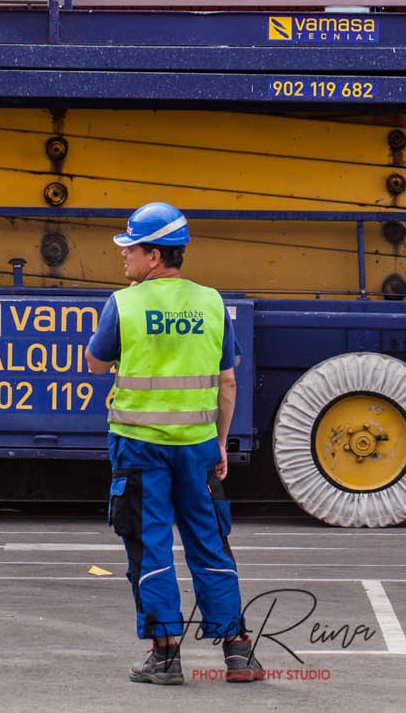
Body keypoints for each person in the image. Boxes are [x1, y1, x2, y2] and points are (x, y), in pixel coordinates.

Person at [85, 200, 263, 686]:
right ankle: (238, 652)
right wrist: (220, 443)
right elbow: (228, 381)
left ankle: (164, 658)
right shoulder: (211, 303)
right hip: (198, 448)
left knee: (151, 549)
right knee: (210, 544)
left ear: (154, 255)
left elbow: (95, 364)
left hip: (139, 450)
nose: (123, 255)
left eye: (131, 247)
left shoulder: (124, 304)